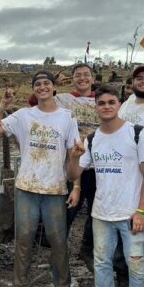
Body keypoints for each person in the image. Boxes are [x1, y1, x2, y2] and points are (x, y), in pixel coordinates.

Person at [0, 70, 79, 287]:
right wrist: (3, 104)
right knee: (24, 240)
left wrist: (76, 185)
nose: (42, 87)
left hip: (56, 188)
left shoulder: (67, 118)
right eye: (38, 84)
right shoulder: (23, 115)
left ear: (54, 88)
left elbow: (73, 155)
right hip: (26, 186)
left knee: (58, 241)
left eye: (47, 83)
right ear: (34, 89)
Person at [66, 86, 144, 287]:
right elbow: (73, 174)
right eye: (101, 103)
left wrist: (142, 211)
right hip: (102, 213)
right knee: (101, 262)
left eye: (111, 102)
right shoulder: (92, 139)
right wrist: (74, 157)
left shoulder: (136, 134)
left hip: (130, 214)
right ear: (96, 108)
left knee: (135, 263)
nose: (106, 106)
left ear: (119, 104)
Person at [55, 63, 100, 269]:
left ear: (93, 79)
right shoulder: (64, 98)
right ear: (72, 79)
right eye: (77, 75)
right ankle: (58, 250)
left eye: (86, 75)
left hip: (99, 165)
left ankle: (86, 249)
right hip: (73, 163)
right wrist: (54, 84)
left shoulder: (103, 99)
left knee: (95, 211)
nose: (82, 78)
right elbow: (35, 101)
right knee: (69, 208)